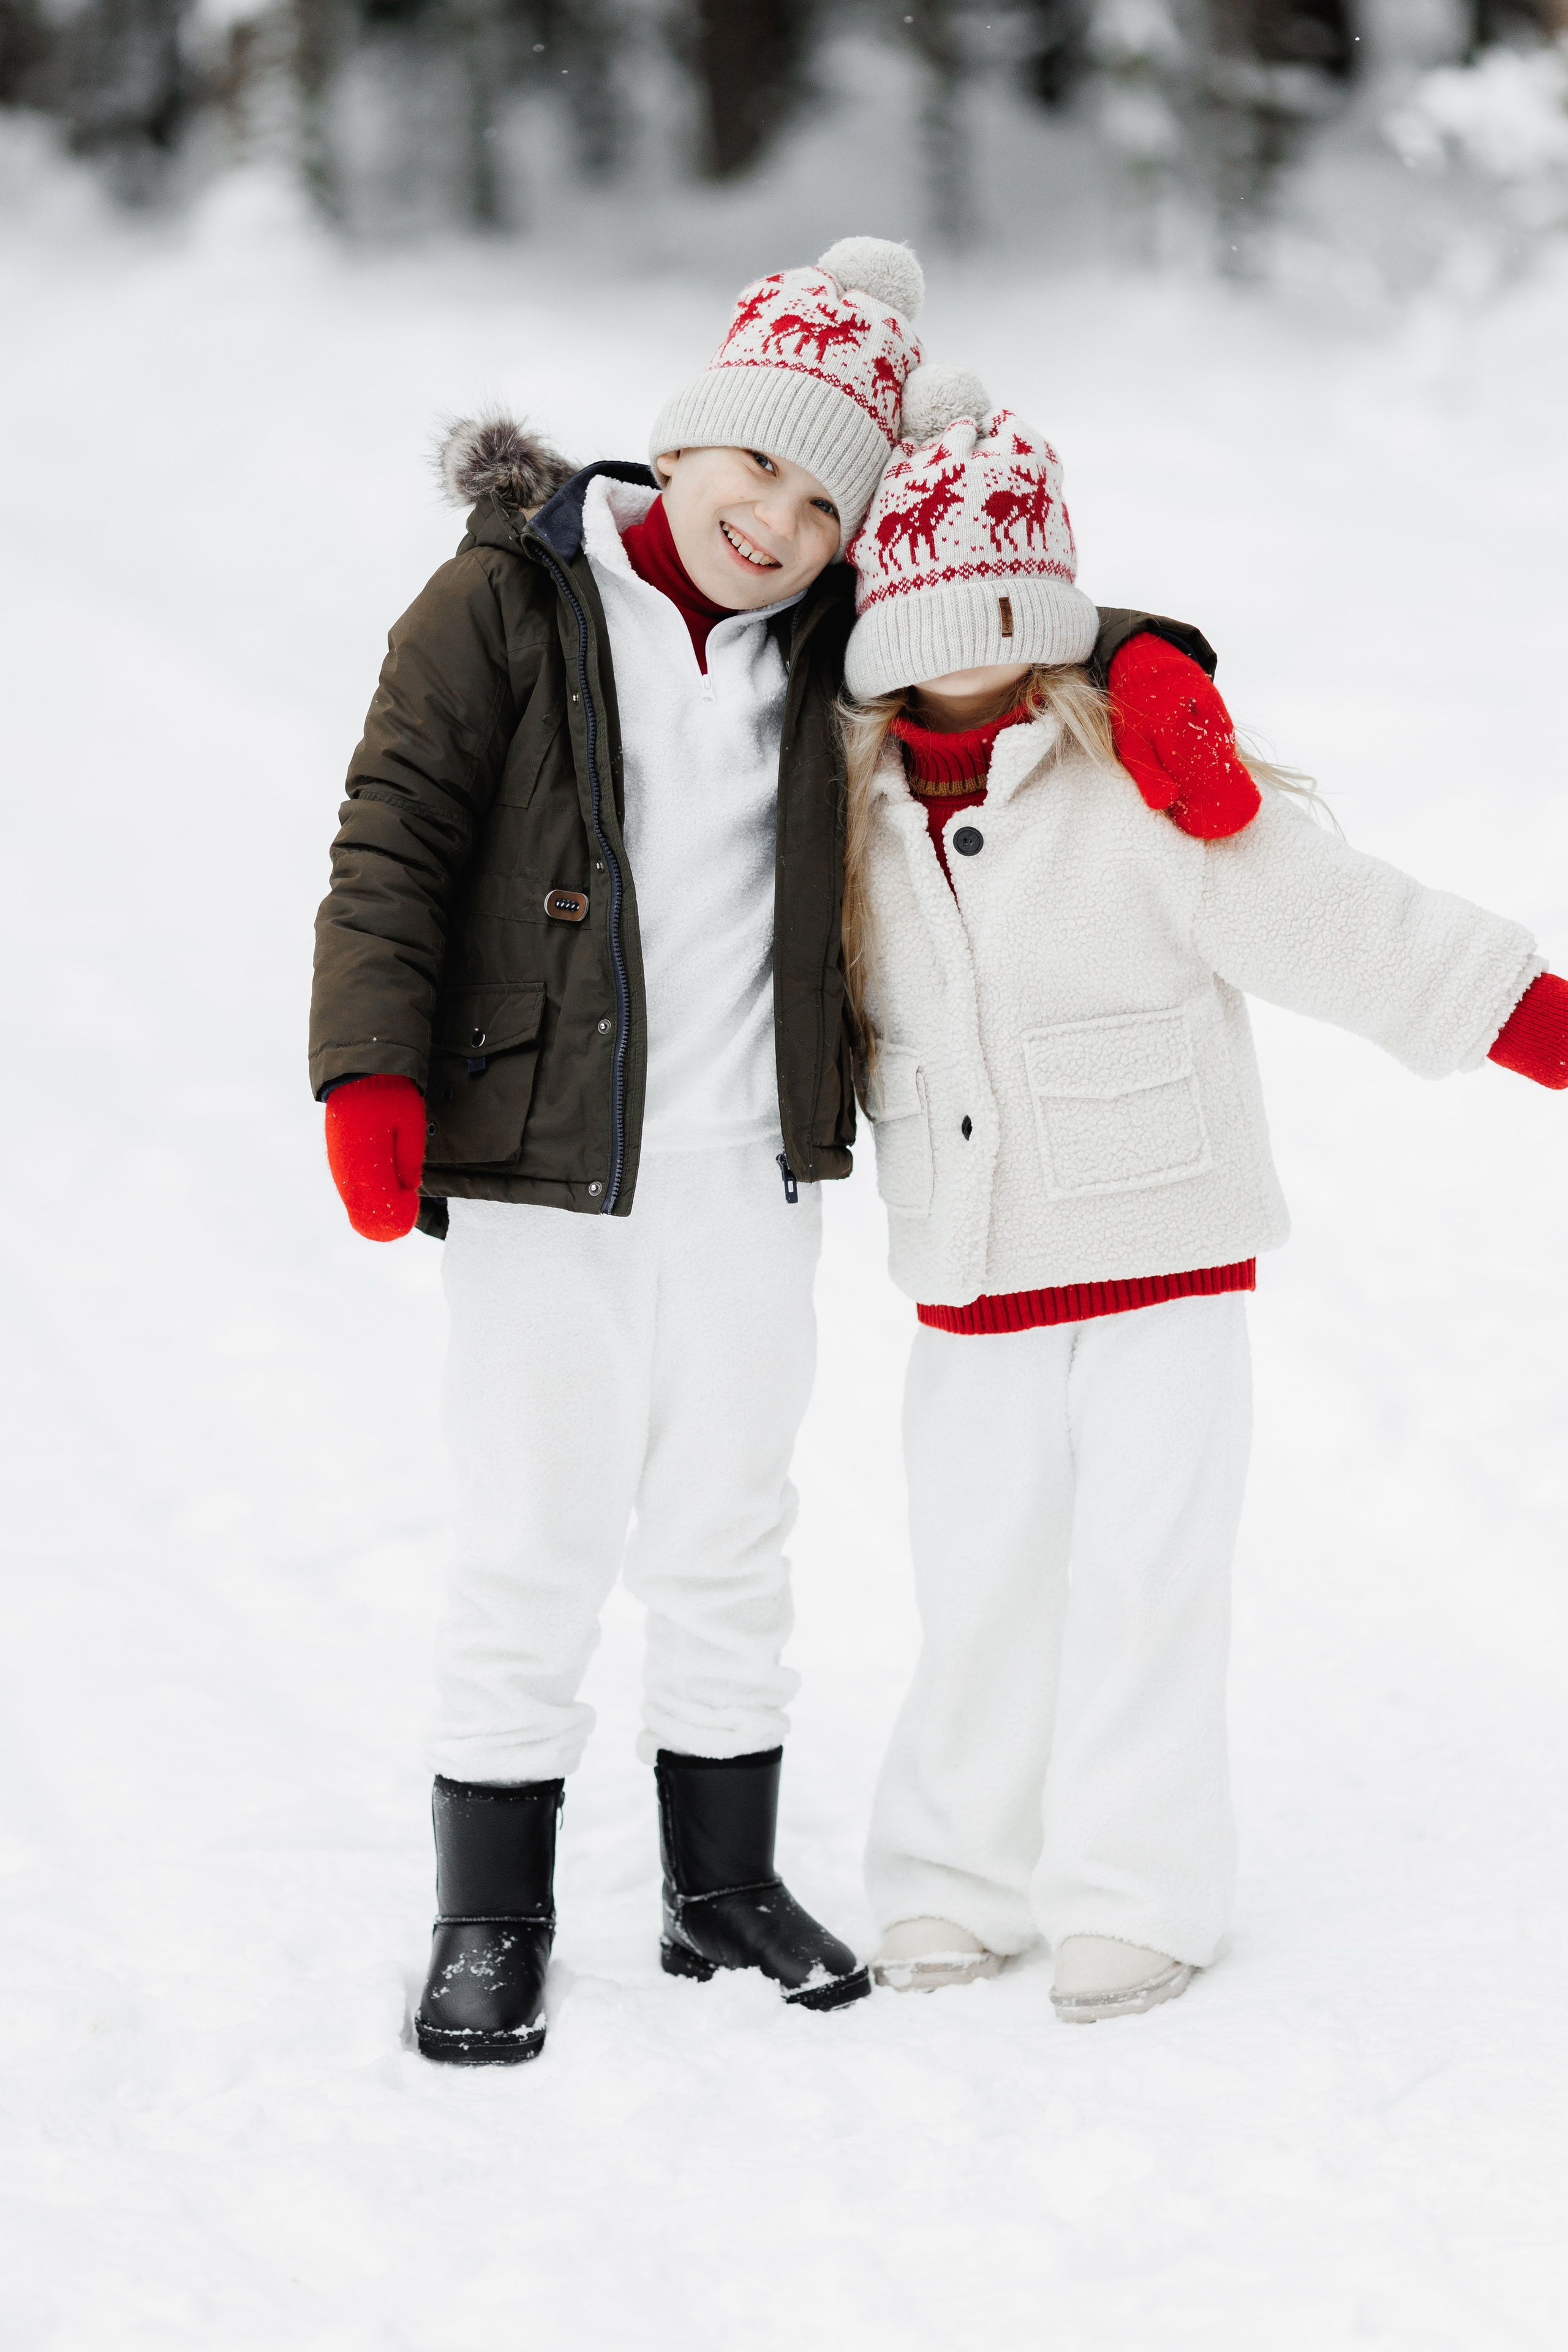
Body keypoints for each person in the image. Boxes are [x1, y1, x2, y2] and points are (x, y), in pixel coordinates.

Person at [307, 243, 1247, 2064]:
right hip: (538, 1165)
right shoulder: (508, 596)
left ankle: (715, 1886)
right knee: (536, 1529)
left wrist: (1156, 666)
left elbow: (1018, 614)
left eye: (830, 502)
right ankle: (491, 1913)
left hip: (753, 1163)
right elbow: (393, 832)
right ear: (694, 443)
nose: (781, 521)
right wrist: (368, 1072)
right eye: (762, 471)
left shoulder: (832, 638)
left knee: (732, 1527)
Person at [835, 367, 1568, 2022]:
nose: (970, 644)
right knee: (979, 1582)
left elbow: (1339, 916)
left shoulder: (1148, 782)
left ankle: (1138, 1891)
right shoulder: (841, 809)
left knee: (1149, 1584)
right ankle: (953, 1873)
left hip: (1162, 1260)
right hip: (968, 1281)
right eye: (932, 607)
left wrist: (1535, 1023)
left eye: (1009, 606)